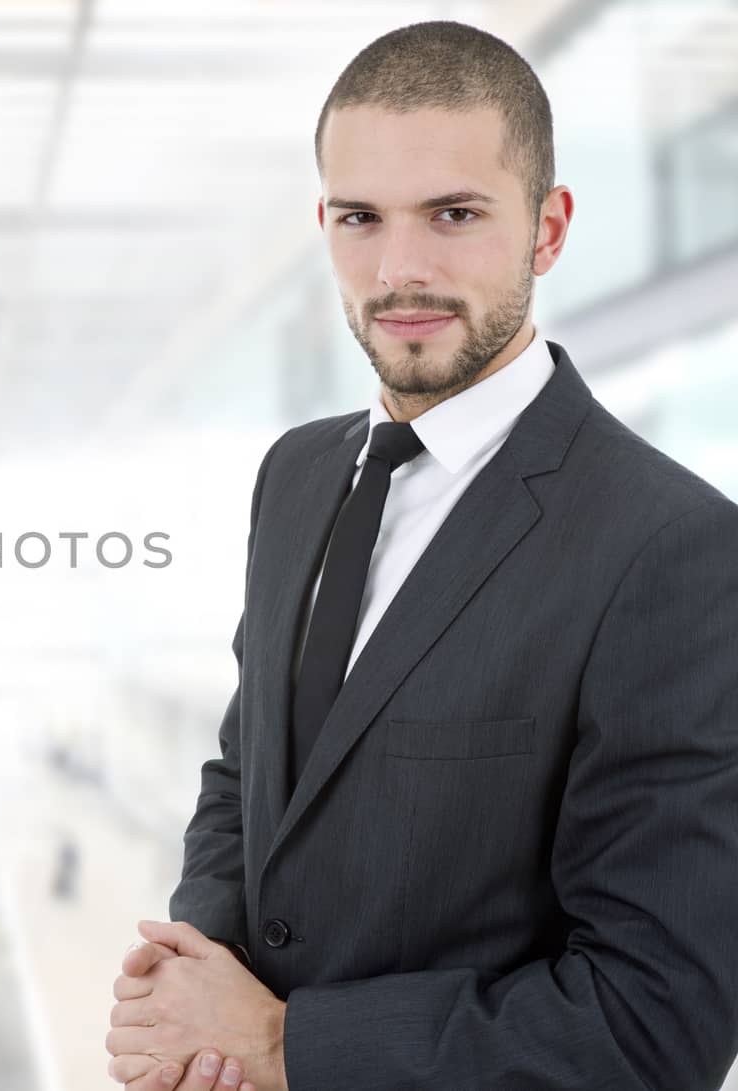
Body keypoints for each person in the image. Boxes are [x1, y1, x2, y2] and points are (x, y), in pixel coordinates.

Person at [104, 20, 738, 1091]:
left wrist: (280, 1043)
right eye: (361, 219)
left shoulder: (669, 547)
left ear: (547, 229)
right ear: (325, 226)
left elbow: (655, 1019)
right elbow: (247, 774)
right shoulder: (294, 475)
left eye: (453, 214)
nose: (400, 269)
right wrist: (191, 980)